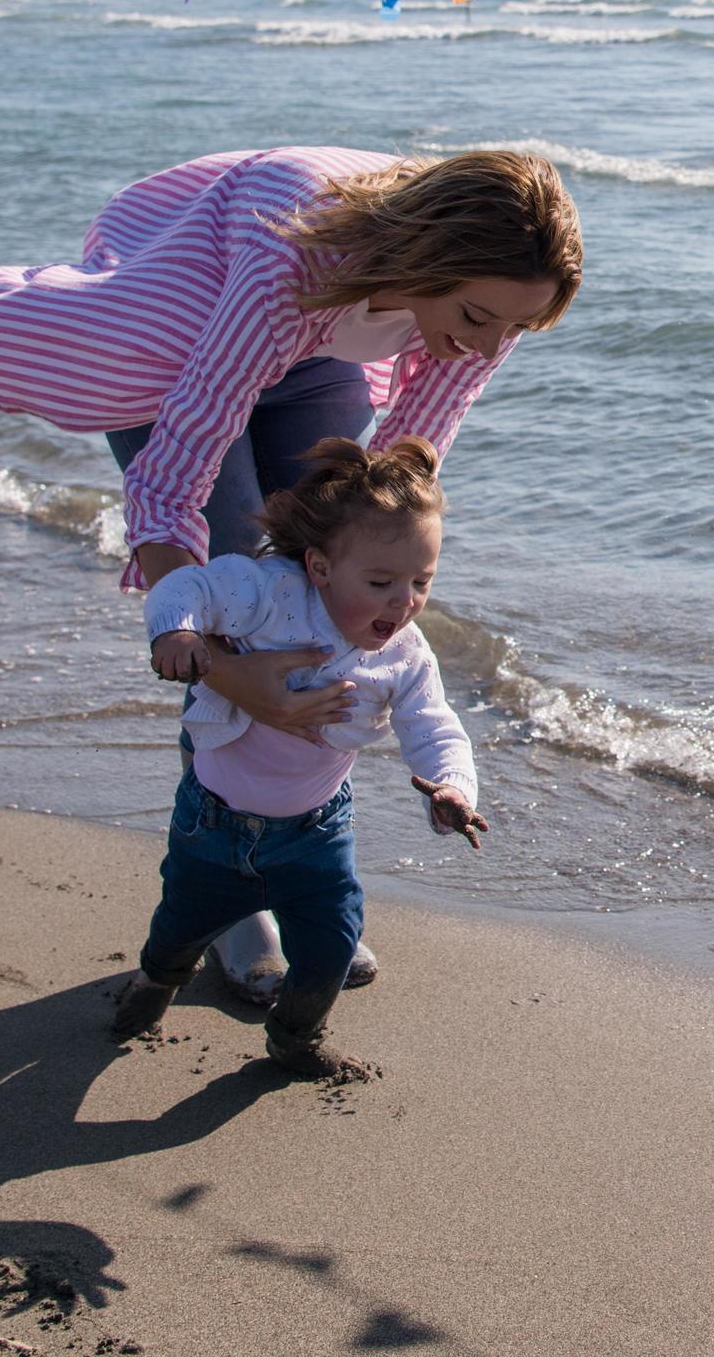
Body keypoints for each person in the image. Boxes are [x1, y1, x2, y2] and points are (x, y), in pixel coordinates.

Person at [0, 145, 578, 994]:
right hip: (187, 319)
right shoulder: (298, 256)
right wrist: (223, 667)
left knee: (335, 568)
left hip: (320, 350)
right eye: (478, 319)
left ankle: (304, 877)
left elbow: (405, 475)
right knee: (239, 578)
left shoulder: (487, 306)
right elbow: (175, 474)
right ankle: (230, 893)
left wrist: (387, 603)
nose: (487, 349)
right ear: (431, 261)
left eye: (516, 329)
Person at [110, 437, 486, 1080]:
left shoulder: (404, 651)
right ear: (318, 567)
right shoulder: (267, 592)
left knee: (334, 941)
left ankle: (296, 1034)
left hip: (316, 832)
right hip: (214, 822)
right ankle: (155, 982)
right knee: (180, 927)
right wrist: (175, 630)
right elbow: (186, 585)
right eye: (380, 582)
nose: (404, 603)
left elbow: (432, 724)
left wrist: (452, 786)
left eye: (422, 582)